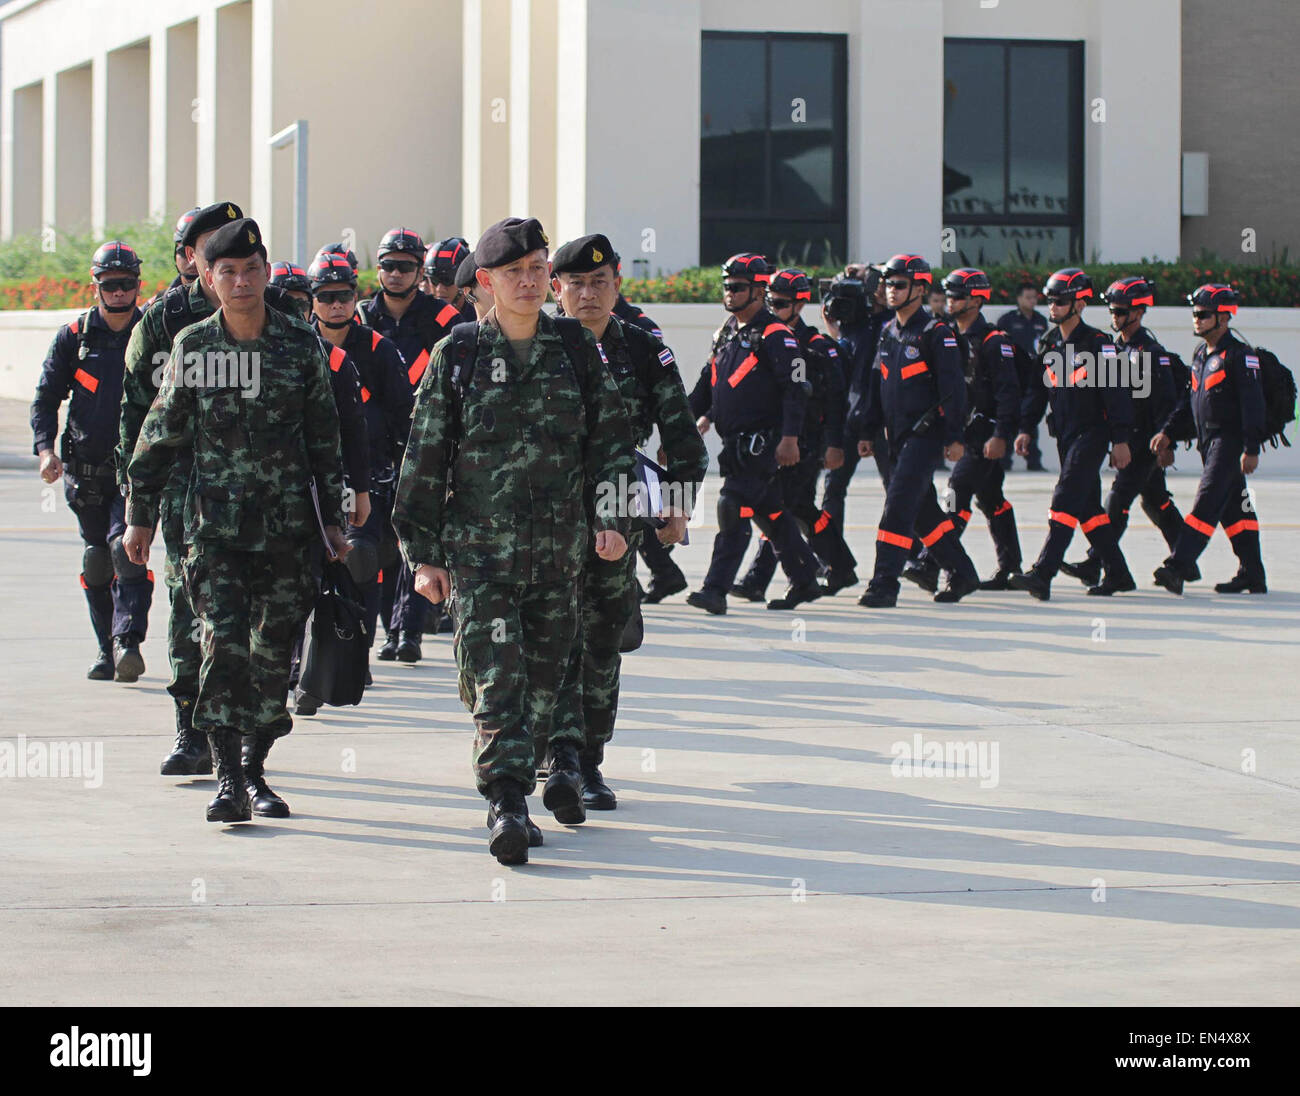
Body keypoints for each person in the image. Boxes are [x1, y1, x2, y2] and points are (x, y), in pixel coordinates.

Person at [393, 216, 636, 865]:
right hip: (481, 558)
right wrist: (423, 554)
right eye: (512, 273)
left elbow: (611, 443)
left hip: (561, 557)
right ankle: (506, 802)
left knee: (542, 685)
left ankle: (524, 789)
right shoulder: (461, 353)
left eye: (536, 270)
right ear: (486, 282)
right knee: (499, 683)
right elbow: (425, 456)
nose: (527, 283)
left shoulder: (576, 352)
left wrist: (612, 521)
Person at [123, 218, 350, 824]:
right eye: (228, 271)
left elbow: (325, 439)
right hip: (214, 531)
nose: (242, 281)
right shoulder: (195, 346)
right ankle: (228, 777)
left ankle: (257, 770)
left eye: (252, 269)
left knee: (273, 654)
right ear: (206, 274)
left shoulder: (299, 344)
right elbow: (161, 435)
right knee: (222, 646)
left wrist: (335, 519)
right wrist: (139, 516)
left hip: (287, 530)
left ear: (266, 268)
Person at [117, 200, 302, 778]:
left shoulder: (276, 318)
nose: (230, 268)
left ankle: (246, 741)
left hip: (266, 500)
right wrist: (139, 504)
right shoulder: (167, 322)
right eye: (210, 249)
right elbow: (138, 414)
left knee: (259, 622)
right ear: (188, 260)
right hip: (186, 492)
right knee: (189, 610)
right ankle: (190, 728)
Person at [548, 233, 708, 812]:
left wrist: (678, 506)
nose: (587, 294)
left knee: (601, 637)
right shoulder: (534, 343)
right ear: (555, 288)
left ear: (617, 283)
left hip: (619, 501)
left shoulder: (644, 349)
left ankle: (587, 760)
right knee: (549, 634)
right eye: (575, 284)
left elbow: (684, 438)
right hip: (545, 508)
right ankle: (557, 754)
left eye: (599, 282)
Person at [31, 241, 153, 681]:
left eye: (127, 285)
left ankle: (128, 642)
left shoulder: (154, 333)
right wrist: (45, 450)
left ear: (138, 285)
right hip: (85, 472)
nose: (119, 293)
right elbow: (45, 399)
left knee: (126, 551)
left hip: (137, 473)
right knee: (97, 560)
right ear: (96, 286)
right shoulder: (74, 337)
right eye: (110, 285)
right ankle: (105, 648)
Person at [685, 253, 824, 615]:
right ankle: (806, 577)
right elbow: (708, 386)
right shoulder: (726, 333)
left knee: (732, 506)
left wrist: (790, 438)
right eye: (726, 286)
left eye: (738, 287)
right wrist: (684, 424)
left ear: (760, 291)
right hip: (734, 444)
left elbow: (797, 390)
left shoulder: (778, 336)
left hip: (765, 442)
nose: (729, 293)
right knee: (771, 513)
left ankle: (715, 590)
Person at [306, 247, 411, 689]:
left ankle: (358, 652)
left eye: (345, 295)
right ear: (312, 300)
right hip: (304, 481)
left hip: (365, 479)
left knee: (362, 561)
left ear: (356, 297)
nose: (336, 305)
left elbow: (405, 417)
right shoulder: (294, 345)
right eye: (326, 296)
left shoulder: (379, 351)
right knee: (300, 572)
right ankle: (301, 664)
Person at [852, 255, 980, 607]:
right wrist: (868, 430)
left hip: (926, 436)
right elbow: (878, 385)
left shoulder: (936, 333)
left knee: (897, 506)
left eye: (899, 285)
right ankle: (963, 572)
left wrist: (954, 437)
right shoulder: (888, 332)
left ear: (920, 289)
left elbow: (953, 390)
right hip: (894, 438)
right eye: (888, 284)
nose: (890, 291)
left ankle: (884, 583)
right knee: (924, 512)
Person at [360, 227, 463, 662]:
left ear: (420, 271)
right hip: (372, 447)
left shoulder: (444, 320)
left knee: (417, 539)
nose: (396, 274)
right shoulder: (361, 316)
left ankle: (410, 631)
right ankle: (391, 630)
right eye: (388, 266)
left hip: (427, 444)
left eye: (405, 267)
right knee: (381, 545)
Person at [1009, 268, 1136, 600]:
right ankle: (1119, 574)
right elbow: (1037, 393)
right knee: (1089, 508)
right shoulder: (1049, 342)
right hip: (1064, 436)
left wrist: (1120, 440)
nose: (1052, 307)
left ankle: (1043, 572)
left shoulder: (1099, 345)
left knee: (1065, 497)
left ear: (1079, 305)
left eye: (1060, 301)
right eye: (1049, 301)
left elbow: (1117, 394)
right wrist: (1025, 429)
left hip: (1093, 435)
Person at [732, 267, 858, 599]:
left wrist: (834, 444)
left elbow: (835, 401)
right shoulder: (760, 337)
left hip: (806, 443)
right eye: (769, 301)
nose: (773, 308)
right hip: (778, 440)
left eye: (782, 303)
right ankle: (841, 566)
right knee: (799, 508)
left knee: (779, 506)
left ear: (800, 306)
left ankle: (759, 580)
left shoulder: (815, 346)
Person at [1060, 276, 1190, 589]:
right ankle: (1186, 560)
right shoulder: (1115, 347)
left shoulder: (1150, 352)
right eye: (1112, 310)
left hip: (1145, 441)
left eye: (1121, 311)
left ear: (1140, 312)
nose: (1115, 316)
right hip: (1128, 438)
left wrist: (1166, 439)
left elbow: (1166, 402)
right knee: (1156, 500)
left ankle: (1096, 563)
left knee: (1117, 499)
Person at [1154, 285, 1268, 595]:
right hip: (1208, 441)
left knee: (1206, 501)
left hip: (1229, 442)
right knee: (1236, 511)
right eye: (1195, 314)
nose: (1197, 320)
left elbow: (1253, 405)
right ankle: (1253, 573)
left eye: (1203, 315)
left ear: (1223, 318)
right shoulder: (1201, 355)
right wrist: (1168, 432)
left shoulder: (1240, 356)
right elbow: (1188, 403)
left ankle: (1178, 566)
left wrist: (1251, 448)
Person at [923, 267, 1024, 590]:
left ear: (978, 300)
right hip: (962, 432)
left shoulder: (995, 342)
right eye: (948, 295)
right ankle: (1011, 567)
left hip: (985, 436)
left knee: (955, 492)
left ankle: (931, 562)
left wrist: (1001, 435)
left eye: (959, 296)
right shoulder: (947, 337)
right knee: (992, 499)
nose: (951, 301)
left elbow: (1010, 393)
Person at [823, 264, 892, 527]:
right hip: (851, 416)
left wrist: (870, 269)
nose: (887, 290)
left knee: (896, 489)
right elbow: (845, 367)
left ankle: (911, 556)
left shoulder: (895, 321)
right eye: (882, 284)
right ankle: (831, 556)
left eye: (891, 284)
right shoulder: (853, 324)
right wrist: (835, 333)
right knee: (833, 488)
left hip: (885, 419)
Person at [997, 282, 1049, 470]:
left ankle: (1033, 460)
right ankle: (1004, 460)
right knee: (1009, 415)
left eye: (1034, 297)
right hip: (1013, 375)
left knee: (1030, 417)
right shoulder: (1007, 321)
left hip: (1033, 375)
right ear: (1019, 299)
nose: (1031, 301)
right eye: (1027, 297)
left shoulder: (1041, 321)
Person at [423, 237, 477, 324]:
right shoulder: (420, 316)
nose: (439, 289)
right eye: (434, 280)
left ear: (463, 279)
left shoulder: (481, 314)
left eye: (447, 280)